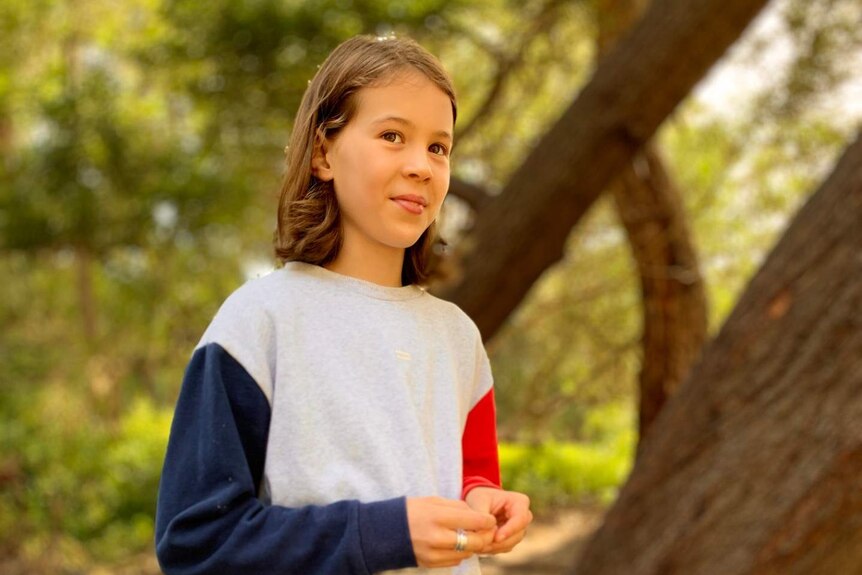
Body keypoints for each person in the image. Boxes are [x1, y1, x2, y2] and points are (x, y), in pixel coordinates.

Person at [155, 34, 532, 575]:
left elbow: (470, 477)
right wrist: (383, 535)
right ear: (323, 153)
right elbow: (196, 542)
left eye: (438, 147)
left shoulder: (458, 338)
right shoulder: (258, 324)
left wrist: (485, 503)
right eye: (392, 135)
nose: (422, 166)